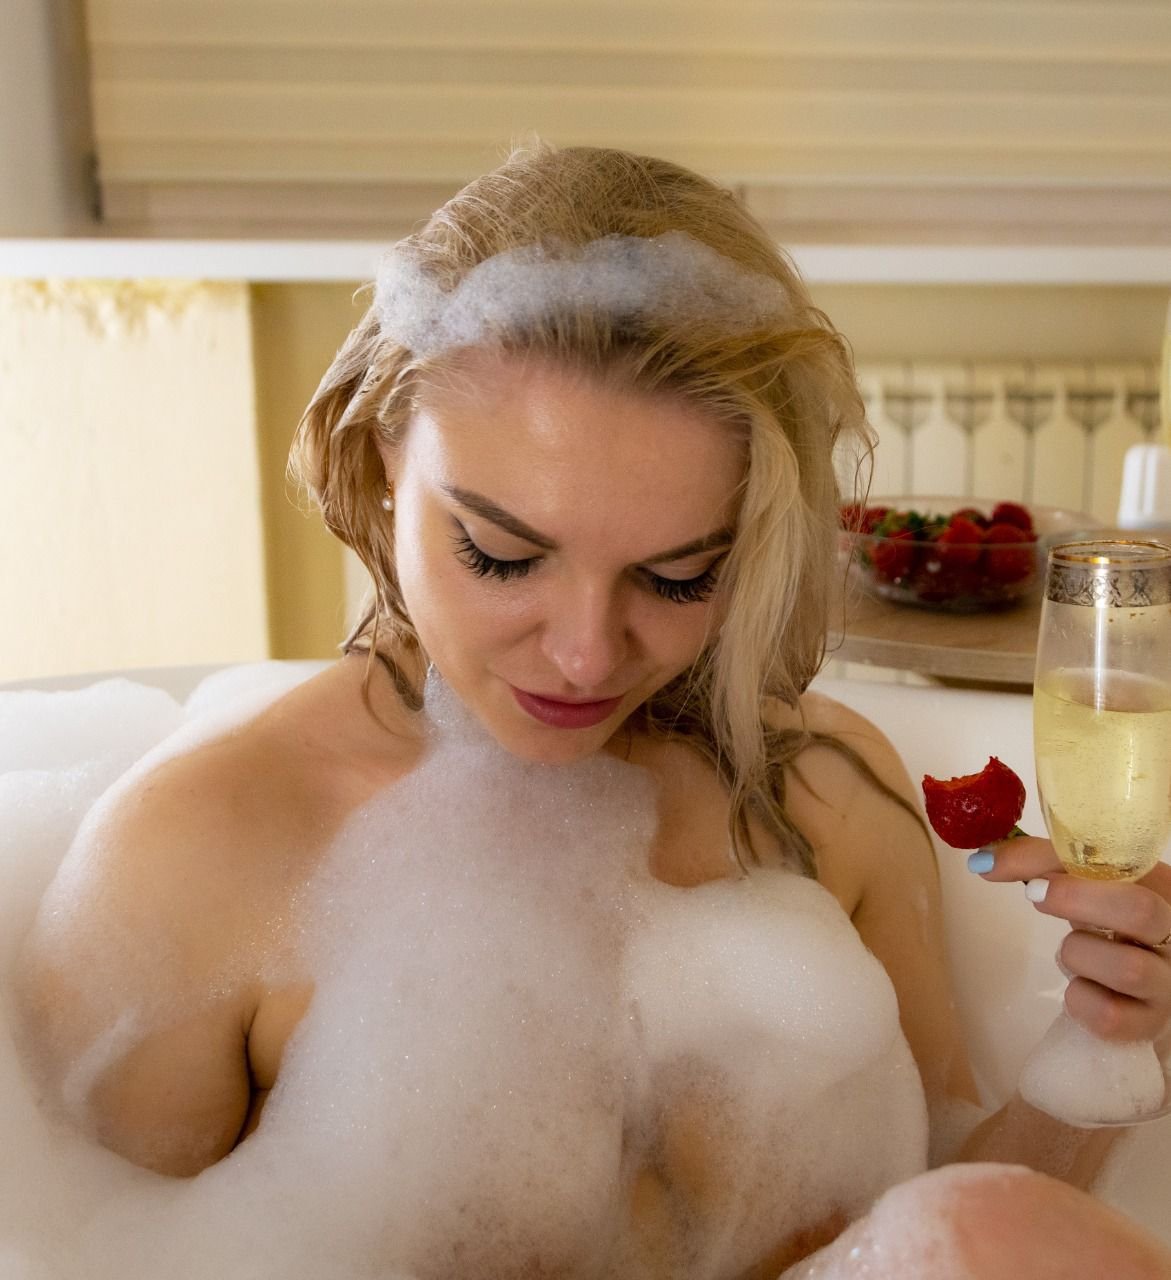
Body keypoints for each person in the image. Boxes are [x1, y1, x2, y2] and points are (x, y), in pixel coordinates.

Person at [14, 142, 1171, 1279]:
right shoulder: (190, 864)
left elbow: (936, 1207)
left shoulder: (817, 792)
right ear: (377, 466)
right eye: (500, 553)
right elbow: (80, 1241)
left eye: (677, 576)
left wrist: (1100, 1041)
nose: (583, 654)